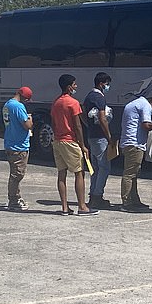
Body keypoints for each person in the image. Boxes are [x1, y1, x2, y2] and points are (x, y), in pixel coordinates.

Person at [51, 74, 98, 216]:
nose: (76, 86)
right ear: (69, 87)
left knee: (61, 173)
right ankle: (82, 206)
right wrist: (83, 145)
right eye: (74, 84)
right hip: (70, 141)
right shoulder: (73, 103)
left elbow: (53, 123)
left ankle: (64, 207)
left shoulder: (56, 102)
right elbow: (78, 126)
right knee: (79, 173)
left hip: (58, 141)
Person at [119, 95, 152, 212]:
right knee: (130, 174)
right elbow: (146, 125)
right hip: (135, 144)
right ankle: (126, 202)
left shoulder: (133, 103)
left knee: (134, 173)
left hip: (128, 142)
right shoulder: (146, 106)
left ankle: (134, 199)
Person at [82, 72, 114, 209]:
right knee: (104, 167)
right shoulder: (99, 98)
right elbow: (102, 118)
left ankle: (93, 194)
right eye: (107, 84)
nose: (108, 86)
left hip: (91, 136)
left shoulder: (89, 96)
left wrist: (89, 126)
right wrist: (109, 137)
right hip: (100, 137)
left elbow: (82, 114)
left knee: (95, 168)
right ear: (101, 84)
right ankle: (97, 196)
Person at [2, 86, 34, 211]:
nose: (27, 102)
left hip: (10, 142)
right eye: (27, 99)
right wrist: (30, 118)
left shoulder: (7, 105)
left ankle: (16, 197)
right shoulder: (19, 107)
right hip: (19, 145)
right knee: (17, 174)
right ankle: (13, 200)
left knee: (15, 172)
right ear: (24, 97)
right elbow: (27, 125)